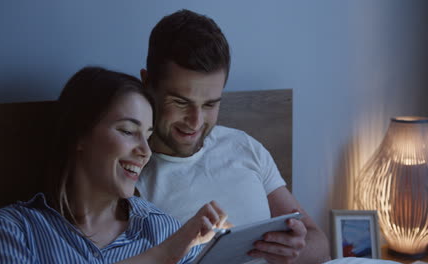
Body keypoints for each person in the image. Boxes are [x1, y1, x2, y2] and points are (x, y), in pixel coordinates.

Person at [136, 9, 331, 264]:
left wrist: (293, 252)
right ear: (147, 83)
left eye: (209, 105)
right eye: (181, 102)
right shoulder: (128, 174)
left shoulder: (243, 146)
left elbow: (321, 246)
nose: (196, 122)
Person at [0, 66, 228, 263]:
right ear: (79, 134)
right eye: (128, 131)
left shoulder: (163, 229)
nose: (145, 151)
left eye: (148, 136)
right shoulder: (14, 230)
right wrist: (163, 256)